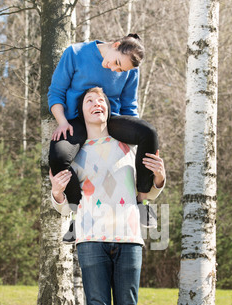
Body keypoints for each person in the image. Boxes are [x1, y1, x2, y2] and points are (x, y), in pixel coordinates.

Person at [50, 87, 166, 305]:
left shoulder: (129, 145)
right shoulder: (72, 149)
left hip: (128, 236)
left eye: (101, 100)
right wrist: (57, 193)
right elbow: (66, 206)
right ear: (81, 110)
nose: (97, 104)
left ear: (109, 109)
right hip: (89, 237)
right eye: (90, 100)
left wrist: (159, 179)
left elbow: (146, 194)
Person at [48, 33, 159, 242]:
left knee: (148, 133)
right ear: (115, 45)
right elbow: (56, 91)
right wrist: (62, 122)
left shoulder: (130, 71)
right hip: (76, 121)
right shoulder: (76, 53)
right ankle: (77, 211)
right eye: (116, 62)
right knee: (57, 157)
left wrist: (133, 139)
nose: (115, 69)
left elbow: (129, 106)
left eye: (121, 69)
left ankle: (142, 199)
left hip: (111, 119)